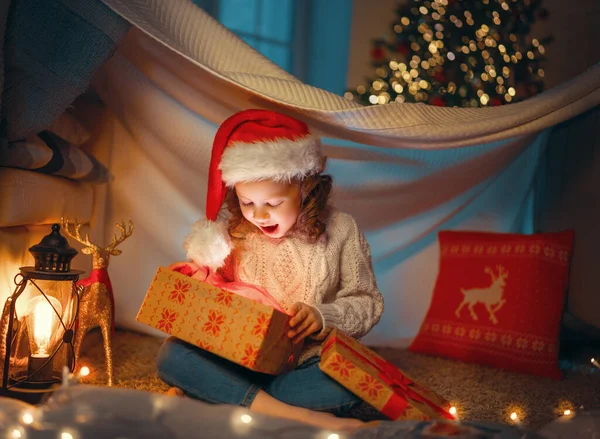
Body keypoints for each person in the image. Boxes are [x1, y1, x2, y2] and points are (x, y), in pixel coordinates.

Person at [156, 109, 385, 431]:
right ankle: (294, 416)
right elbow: (215, 291)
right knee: (172, 354)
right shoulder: (235, 233)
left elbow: (367, 301)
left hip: (304, 362)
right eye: (247, 202)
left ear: (305, 188)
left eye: (273, 203)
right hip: (239, 358)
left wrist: (322, 316)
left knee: (349, 384)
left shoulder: (342, 229)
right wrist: (192, 278)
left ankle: (218, 398)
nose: (259, 215)